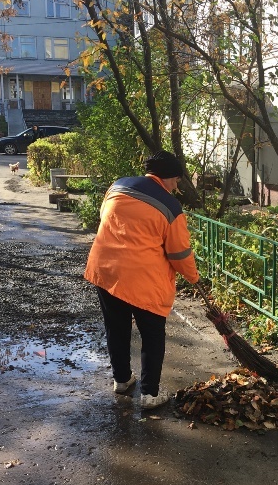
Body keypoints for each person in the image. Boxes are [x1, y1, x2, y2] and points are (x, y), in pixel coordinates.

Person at [84, 151, 200, 409]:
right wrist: (194, 277)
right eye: (176, 180)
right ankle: (150, 394)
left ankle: (122, 380)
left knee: (117, 327)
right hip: (143, 279)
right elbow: (179, 253)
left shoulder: (118, 185)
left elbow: (105, 217)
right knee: (152, 335)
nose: (176, 185)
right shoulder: (171, 207)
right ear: (167, 177)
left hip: (106, 269)